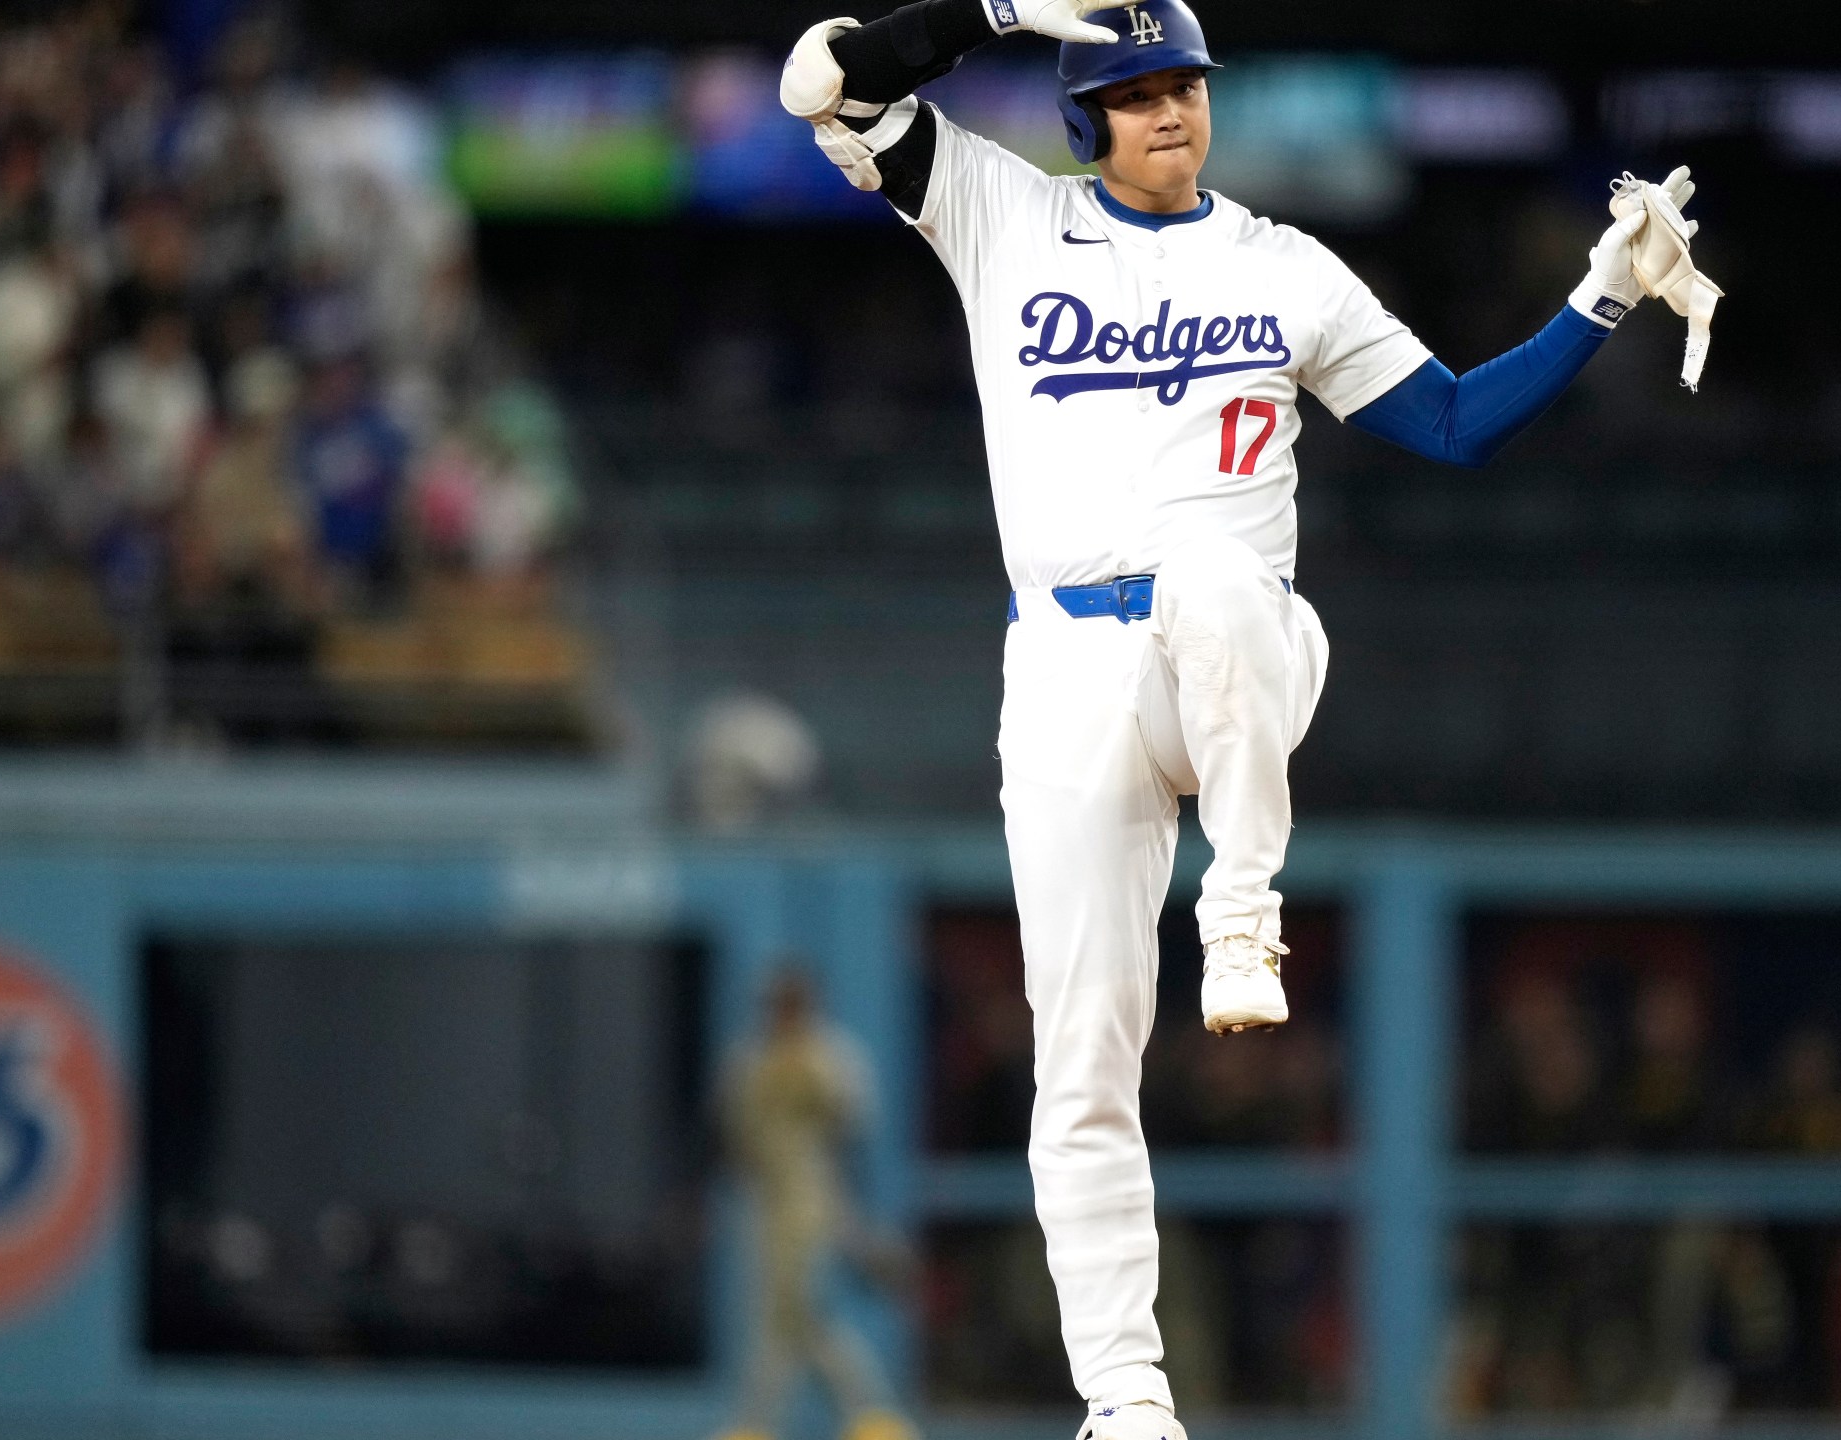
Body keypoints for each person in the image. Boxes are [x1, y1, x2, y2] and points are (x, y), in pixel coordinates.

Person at [777, 5, 1707, 1437]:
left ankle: (1243, 905)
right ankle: (1129, 1403)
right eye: (1137, 91)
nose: (1169, 112)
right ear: (1086, 114)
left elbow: (1452, 424)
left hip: (1248, 661)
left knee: (1212, 572)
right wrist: (1000, 14)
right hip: (1070, 667)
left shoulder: (1284, 269)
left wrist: (1599, 299)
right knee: (1078, 1057)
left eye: (1185, 88)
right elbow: (818, 80)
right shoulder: (1001, 213)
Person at [718, 971, 916, 1440]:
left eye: (791, 1004)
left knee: (790, 1308)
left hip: (814, 1200)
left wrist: (856, 1219)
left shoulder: (829, 1057)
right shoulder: (751, 1057)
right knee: (785, 1313)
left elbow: (852, 1132)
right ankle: (869, 1417)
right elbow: (733, 1132)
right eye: (776, 1004)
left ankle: (765, 1425)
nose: (782, 1013)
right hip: (764, 1203)